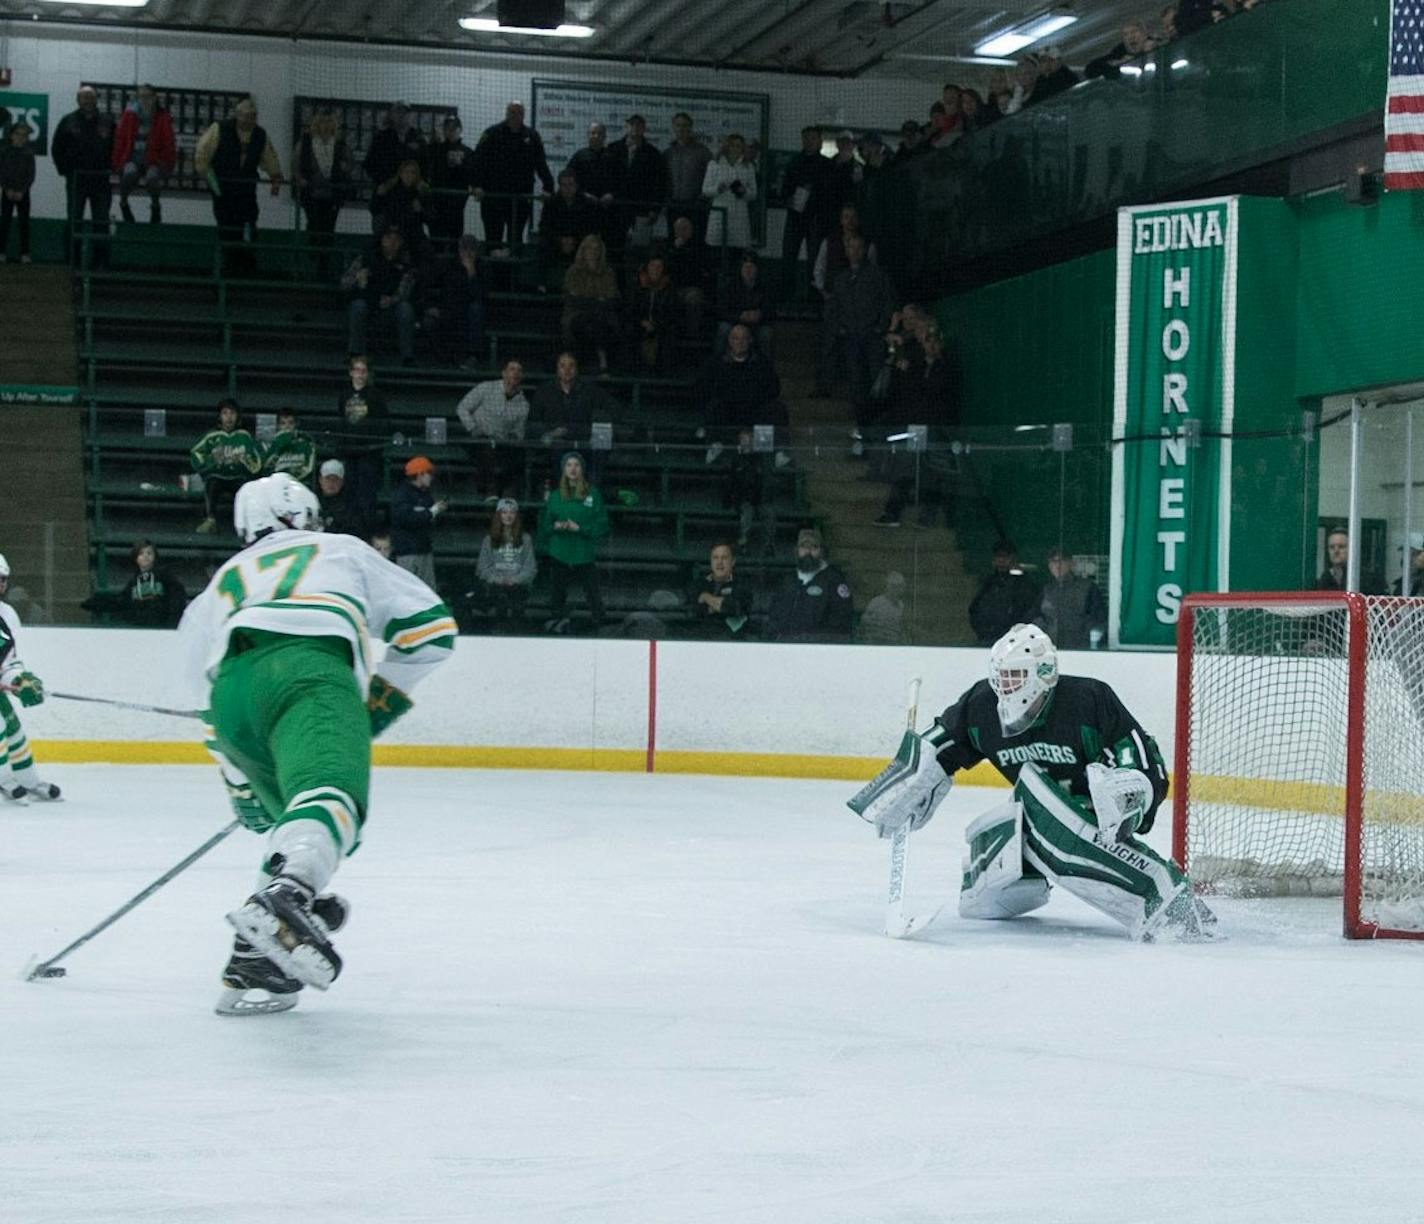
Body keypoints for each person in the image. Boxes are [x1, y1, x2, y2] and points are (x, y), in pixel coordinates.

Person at [178, 473, 456, 1015]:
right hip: (311, 669)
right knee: (333, 797)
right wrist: (371, 709)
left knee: (302, 822)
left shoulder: (221, 583)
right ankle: (289, 898)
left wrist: (240, 784)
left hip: (233, 698)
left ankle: (254, 961)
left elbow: (204, 706)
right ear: (306, 515)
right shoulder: (340, 549)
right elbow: (431, 632)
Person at [848, 623, 1215, 941]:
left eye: (1014, 676)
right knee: (981, 897)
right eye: (1000, 677)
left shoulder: (1087, 699)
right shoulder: (981, 706)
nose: (1004, 687)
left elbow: (1139, 756)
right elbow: (942, 743)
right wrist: (911, 777)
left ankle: (1166, 900)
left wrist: (1129, 794)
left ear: (1042, 673)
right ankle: (1031, 876)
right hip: (1035, 821)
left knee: (1040, 804)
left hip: (1093, 822)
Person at [193, 97, 283, 275]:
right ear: (237, 115)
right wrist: (212, 183)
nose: (249, 120)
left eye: (253, 116)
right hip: (223, 189)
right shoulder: (219, 129)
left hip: (246, 190)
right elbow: (202, 155)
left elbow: (269, 158)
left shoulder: (260, 135)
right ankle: (229, 266)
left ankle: (246, 264)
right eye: (246, 116)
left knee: (250, 224)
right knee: (226, 227)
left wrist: (275, 176)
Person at [0, 552, 60, 804]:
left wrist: (19, 680)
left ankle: (28, 779)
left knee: (13, 728)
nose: (1, 584)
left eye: (3, 579)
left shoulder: (6, 614)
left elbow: (8, 660)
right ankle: (3, 780)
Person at [536, 452, 609, 635]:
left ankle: (599, 624)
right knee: (557, 591)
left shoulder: (593, 494)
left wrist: (581, 529)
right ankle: (556, 621)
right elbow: (544, 525)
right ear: (564, 469)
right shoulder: (554, 496)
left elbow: (602, 524)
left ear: (582, 469)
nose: (573, 469)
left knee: (592, 591)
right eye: (569, 465)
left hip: (583, 552)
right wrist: (556, 525)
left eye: (576, 465)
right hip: (560, 551)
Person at [473, 101, 554, 253]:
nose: (515, 116)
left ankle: (513, 277)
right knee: (493, 241)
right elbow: (478, 161)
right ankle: (494, 276)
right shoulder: (492, 133)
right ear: (506, 113)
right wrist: (477, 185)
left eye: (519, 113)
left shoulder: (532, 136)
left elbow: (541, 164)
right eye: (512, 112)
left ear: (523, 115)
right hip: (493, 198)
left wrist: (548, 187)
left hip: (520, 200)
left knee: (515, 242)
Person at [530, 351, 620, 486]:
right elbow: (534, 420)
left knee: (601, 445)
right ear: (557, 369)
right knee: (557, 447)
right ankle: (564, 493)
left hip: (582, 439)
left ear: (576, 370)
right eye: (562, 366)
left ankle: (591, 492)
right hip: (556, 442)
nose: (567, 370)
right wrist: (552, 432)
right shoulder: (544, 391)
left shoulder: (589, 389)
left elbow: (613, 407)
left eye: (571, 366)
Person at [51, 85, 114, 267]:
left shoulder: (108, 121)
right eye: (84, 97)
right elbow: (57, 148)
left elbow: (116, 148)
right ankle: (72, 261)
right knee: (74, 221)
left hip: (101, 180)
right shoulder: (68, 121)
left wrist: (111, 169)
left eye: (91, 97)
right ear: (78, 100)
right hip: (77, 179)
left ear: (96, 99)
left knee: (101, 221)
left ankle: (101, 263)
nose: (88, 100)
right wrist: (66, 171)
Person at [456, 358, 530, 499]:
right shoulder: (486, 387)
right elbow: (462, 407)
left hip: (502, 443)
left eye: (519, 370)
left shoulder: (523, 405)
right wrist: (473, 427)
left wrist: (512, 438)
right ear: (503, 373)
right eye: (512, 369)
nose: (515, 373)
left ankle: (510, 493)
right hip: (477, 437)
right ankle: (491, 489)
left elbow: (519, 432)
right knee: (486, 449)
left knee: (517, 454)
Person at [342, 226, 418, 366]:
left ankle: (407, 357)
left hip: (391, 309)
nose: (392, 241)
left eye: (396, 239)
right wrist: (357, 280)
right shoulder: (366, 258)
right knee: (358, 306)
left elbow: (404, 291)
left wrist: (391, 300)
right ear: (382, 239)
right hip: (368, 305)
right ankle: (356, 354)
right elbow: (345, 283)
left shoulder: (406, 264)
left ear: (401, 243)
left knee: (406, 309)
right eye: (388, 237)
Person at [292, 108, 353, 278]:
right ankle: (315, 249)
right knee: (314, 223)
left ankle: (323, 265)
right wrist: (300, 178)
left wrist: (344, 168)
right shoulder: (305, 143)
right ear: (316, 124)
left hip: (332, 194)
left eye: (329, 122)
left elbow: (350, 164)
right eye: (322, 122)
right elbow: (295, 164)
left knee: (328, 228)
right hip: (311, 192)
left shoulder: (340, 144)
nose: (325, 125)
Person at [768, 527, 853, 643]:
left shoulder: (834, 581)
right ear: (796, 550)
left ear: (822, 551)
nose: (808, 552)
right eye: (803, 547)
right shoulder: (787, 580)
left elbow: (841, 626)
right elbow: (774, 616)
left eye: (813, 547)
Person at [333, 355, 389, 530]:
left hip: (368, 453)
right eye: (356, 370)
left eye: (363, 371)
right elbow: (341, 420)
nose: (359, 374)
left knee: (367, 494)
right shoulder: (344, 395)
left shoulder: (376, 396)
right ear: (351, 373)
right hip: (350, 451)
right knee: (350, 494)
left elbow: (382, 423)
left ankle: (367, 528)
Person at [191, 398, 262, 534]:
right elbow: (196, 453)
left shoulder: (244, 436)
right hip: (218, 477)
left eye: (232, 414)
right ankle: (210, 519)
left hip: (238, 478)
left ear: (237, 417)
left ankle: (246, 524)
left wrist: (243, 461)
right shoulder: (212, 436)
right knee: (212, 483)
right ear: (220, 416)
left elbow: (257, 463)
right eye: (225, 413)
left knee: (245, 489)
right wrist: (212, 462)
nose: (229, 418)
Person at [80, 539, 187, 628]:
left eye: (149, 553)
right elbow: (122, 601)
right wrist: (98, 603)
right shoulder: (134, 582)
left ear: (155, 556)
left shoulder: (164, 576)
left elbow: (177, 596)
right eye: (141, 553)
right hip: (140, 627)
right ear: (135, 558)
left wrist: (172, 622)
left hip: (161, 625)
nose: (145, 556)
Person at [779, 125, 832, 302]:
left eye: (812, 138)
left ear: (820, 141)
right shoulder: (794, 162)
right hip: (795, 216)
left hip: (816, 219)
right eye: (806, 138)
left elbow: (831, 194)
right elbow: (784, 189)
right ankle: (786, 296)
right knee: (788, 256)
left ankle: (813, 298)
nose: (809, 141)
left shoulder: (827, 165)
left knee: (814, 260)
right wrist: (787, 198)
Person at [112, 84, 176, 224]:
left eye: (148, 96)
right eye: (141, 96)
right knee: (129, 173)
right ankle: (123, 203)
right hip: (133, 158)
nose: (144, 99)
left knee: (152, 177)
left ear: (155, 98)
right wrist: (117, 162)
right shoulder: (129, 114)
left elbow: (169, 142)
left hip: (153, 159)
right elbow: (120, 139)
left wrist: (166, 164)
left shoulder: (162, 116)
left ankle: (155, 205)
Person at [561, 234, 621, 374]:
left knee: (600, 323)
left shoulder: (608, 273)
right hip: (577, 314)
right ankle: (601, 362)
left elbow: (611, 299)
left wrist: (590, 301)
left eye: (596, 249)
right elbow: (573, 299)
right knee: (585, 324)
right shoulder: (573, 272)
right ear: (583, 251)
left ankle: (598, 364)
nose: (593, 252)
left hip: (603, 315)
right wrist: (597, 300)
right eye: (589, 249)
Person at [424, 233, 488, 367]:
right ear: (459, 251)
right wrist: (431, 306)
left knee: (476, 309)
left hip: (469, 313)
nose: (468, 253)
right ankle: (442, 359)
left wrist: (471, 273)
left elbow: (480, 295)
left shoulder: (482, 268)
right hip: (449, 308)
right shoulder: (448, 265)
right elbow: (429, 285)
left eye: (472, 249)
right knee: (430, 320)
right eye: (465, 249)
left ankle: (473, 355)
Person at [475, 498, 537, 630]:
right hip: (496, 584)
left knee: (517, 596)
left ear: (516, 516)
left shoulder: (526, 539)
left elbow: (530, 568)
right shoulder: (489, 540)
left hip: (518, 584)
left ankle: (516, 631)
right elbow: (482, 567)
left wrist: (515, 580)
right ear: (499, 515)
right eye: (504, 512)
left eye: (512, 512)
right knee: (500, 596)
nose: (508, 516)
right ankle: (499, 629)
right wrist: (497, 579)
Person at [609, 113, 668, 250]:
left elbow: (660, 183)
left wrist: (655, 208)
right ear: (626, 126)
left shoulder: (653, 154)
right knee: (615, 246)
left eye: (639, 124)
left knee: (641, 249)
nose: (635, 127)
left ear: (644, 128)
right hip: (618, 208)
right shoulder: (613, 149)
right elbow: (607, 178)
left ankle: (641, 272)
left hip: (643, 208)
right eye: (632, 124)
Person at [389, 456, 448, 588]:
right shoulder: (402, 494)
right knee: (407, 591)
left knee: (428, 592)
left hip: (424, 549)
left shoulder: (425, 494)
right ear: (420, 474)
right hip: (407, 551)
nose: (431, 477)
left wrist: (434, 513)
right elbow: (406, 519)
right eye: (429, 473)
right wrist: (432, 511)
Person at [968, 541, 1040, 646]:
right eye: (998, 556)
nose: (1001, 560)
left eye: (1005, 556)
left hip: (1014, 643)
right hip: (988, 640)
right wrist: (983, 631)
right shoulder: (989, 582)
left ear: (1013, 558)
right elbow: (974, 610)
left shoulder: (1025, 584)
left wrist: (1015, 634)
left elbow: (1030, 613)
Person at [1034, 549, 1107, 650]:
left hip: (1081, 651)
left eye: (1061, 561)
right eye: (1052, 562)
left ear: (1071, 563)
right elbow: (1036, 618)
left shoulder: (1087, 587)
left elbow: (1098, 620)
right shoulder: (1046, 590)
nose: (1057, 566)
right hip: (1051, 650)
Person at [565, 121, 621, 252]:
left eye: (599, 133)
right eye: (593, 133)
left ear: (605, 136)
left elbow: (622, 183)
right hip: (583, 213)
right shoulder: (579, 157)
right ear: (587, 135)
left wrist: (612, 195)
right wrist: (583, 194)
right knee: (582, 249)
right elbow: (567, 181)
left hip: (608, 214)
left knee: (608, 250)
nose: (596, 136)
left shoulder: (613, 158)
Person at [539, 168, 598, 292]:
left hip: (578, 242)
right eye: (564, 185)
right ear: (559, 186)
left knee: (590, 248)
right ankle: (542, 285)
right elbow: (544, 227)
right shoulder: (552, 203)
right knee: (543, 246)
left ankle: (586, 287)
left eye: (570, 185)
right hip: (557, 241)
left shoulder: (586, 203)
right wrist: (560, 240)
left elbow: (590, 227)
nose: (567, 188)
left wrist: (574, 240)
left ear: (576, 186)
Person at [423, 115, 475, 253]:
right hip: (436, 206)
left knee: (454, 245)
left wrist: (460, 165)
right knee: (436, 245)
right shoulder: (435, 149)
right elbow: (424, 162)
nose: (450, 131)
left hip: (456, 209)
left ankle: (452, 273)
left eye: (454, 128)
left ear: (460, 129)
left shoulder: (468, 153)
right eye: (448, 128)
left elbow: (472, 176)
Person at [702, 134, 757, 251]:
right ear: (727, 146)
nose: (735, 149)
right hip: (719, 214)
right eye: (732, 145)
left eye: (739, 146)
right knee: (717, 251)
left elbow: (753, 195)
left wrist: (744, 191)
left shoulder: (749, 166)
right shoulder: (714, 164)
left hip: (740, 216)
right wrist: (717, 189)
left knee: (737, 252)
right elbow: (705, 190)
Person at [626, 253, 678, 375]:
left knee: (668, 336)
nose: (656, 269)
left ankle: (663, 373)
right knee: (629, 332)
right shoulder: (636, 287)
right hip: (639, 324)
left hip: (661, 326)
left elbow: (672, 313)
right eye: (653, 266)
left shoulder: (670, 289)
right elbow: (629, 310)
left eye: (659, 266)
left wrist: (656, 324)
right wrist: (642, 322)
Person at [714, 251, 773, 357]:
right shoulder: (730, 285)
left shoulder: (765, 286)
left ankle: (765, 367)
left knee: (766, 333)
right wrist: (739, 316)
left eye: (751, 267)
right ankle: (718, 363)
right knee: (723, 329)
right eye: (745, 267)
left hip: (757, 325)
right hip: (734, 322)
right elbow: (721, 310)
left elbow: (770, 310)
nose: (748, 270)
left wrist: (759, 315)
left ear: (757, 269)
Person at [690, 540, 752, 640]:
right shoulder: (699, 584)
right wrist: (720, 605)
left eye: (724, 558)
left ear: (733, 561)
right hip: (701, 641)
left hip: (735, 643)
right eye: (715, 558)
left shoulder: (743, 585)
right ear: (710, 561)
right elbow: (695, 610)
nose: (719, 562)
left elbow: (733, 608)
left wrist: (706, 597)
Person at [664, 111, 712, 238]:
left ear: (690, 127)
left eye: (685, 125)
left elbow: (712, 176)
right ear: (673, 127)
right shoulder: (668, 153)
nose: (681, 129)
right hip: (673, 205)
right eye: (678, 125)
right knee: (674, 242)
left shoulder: (702, 152)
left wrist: (702, 199)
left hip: (695, 205)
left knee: (695, 243)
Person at [665, 214, 711, 337]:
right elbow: (666, 266)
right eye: (679, 229)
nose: (682, 232)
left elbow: (699, 266)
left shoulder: (699, 246)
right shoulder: (668, 247)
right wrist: (675, 250)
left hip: (692, 287)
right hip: (671, 288)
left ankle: (692, 334)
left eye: (685, 228)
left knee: (694, 298)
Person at [0, 121, 35, 263]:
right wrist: (6, 188)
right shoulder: (4, 152)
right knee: (5, 222)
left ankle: (25, 253)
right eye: (18, 134)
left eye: (24, 135)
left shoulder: (29, 154)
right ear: (11, 136)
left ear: (27, 138)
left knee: (24, 223)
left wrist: (22, 190)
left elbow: (31, 175)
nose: (20, 137)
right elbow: (1, 172)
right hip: (7, 192)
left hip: (23, 193)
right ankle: (1, 251)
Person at [315, 458, 370, 539]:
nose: (331, 483)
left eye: (335, 479)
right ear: (320, 480)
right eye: (327, 478)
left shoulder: (352, 507)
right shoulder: (312, 501)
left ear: (342, 481)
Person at [262, 408, 316, 483]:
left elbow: (309, 468)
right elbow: (266, 467)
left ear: (296, 424)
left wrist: (291, 478)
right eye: (283, 423)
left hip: (299, 484)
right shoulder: (271, 444)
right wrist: (278, 446)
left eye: (290, 423)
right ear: (278, 426)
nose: (287, 426)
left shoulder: (306, 443)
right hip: (277, 484)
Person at [857, 571, 908, 645]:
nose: (898, 590)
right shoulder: (876, 603)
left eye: (901, 587)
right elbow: (864, 624)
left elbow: (901, 627)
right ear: (889, 587)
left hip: (894, 644)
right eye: (895, 587)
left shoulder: (901, 605)